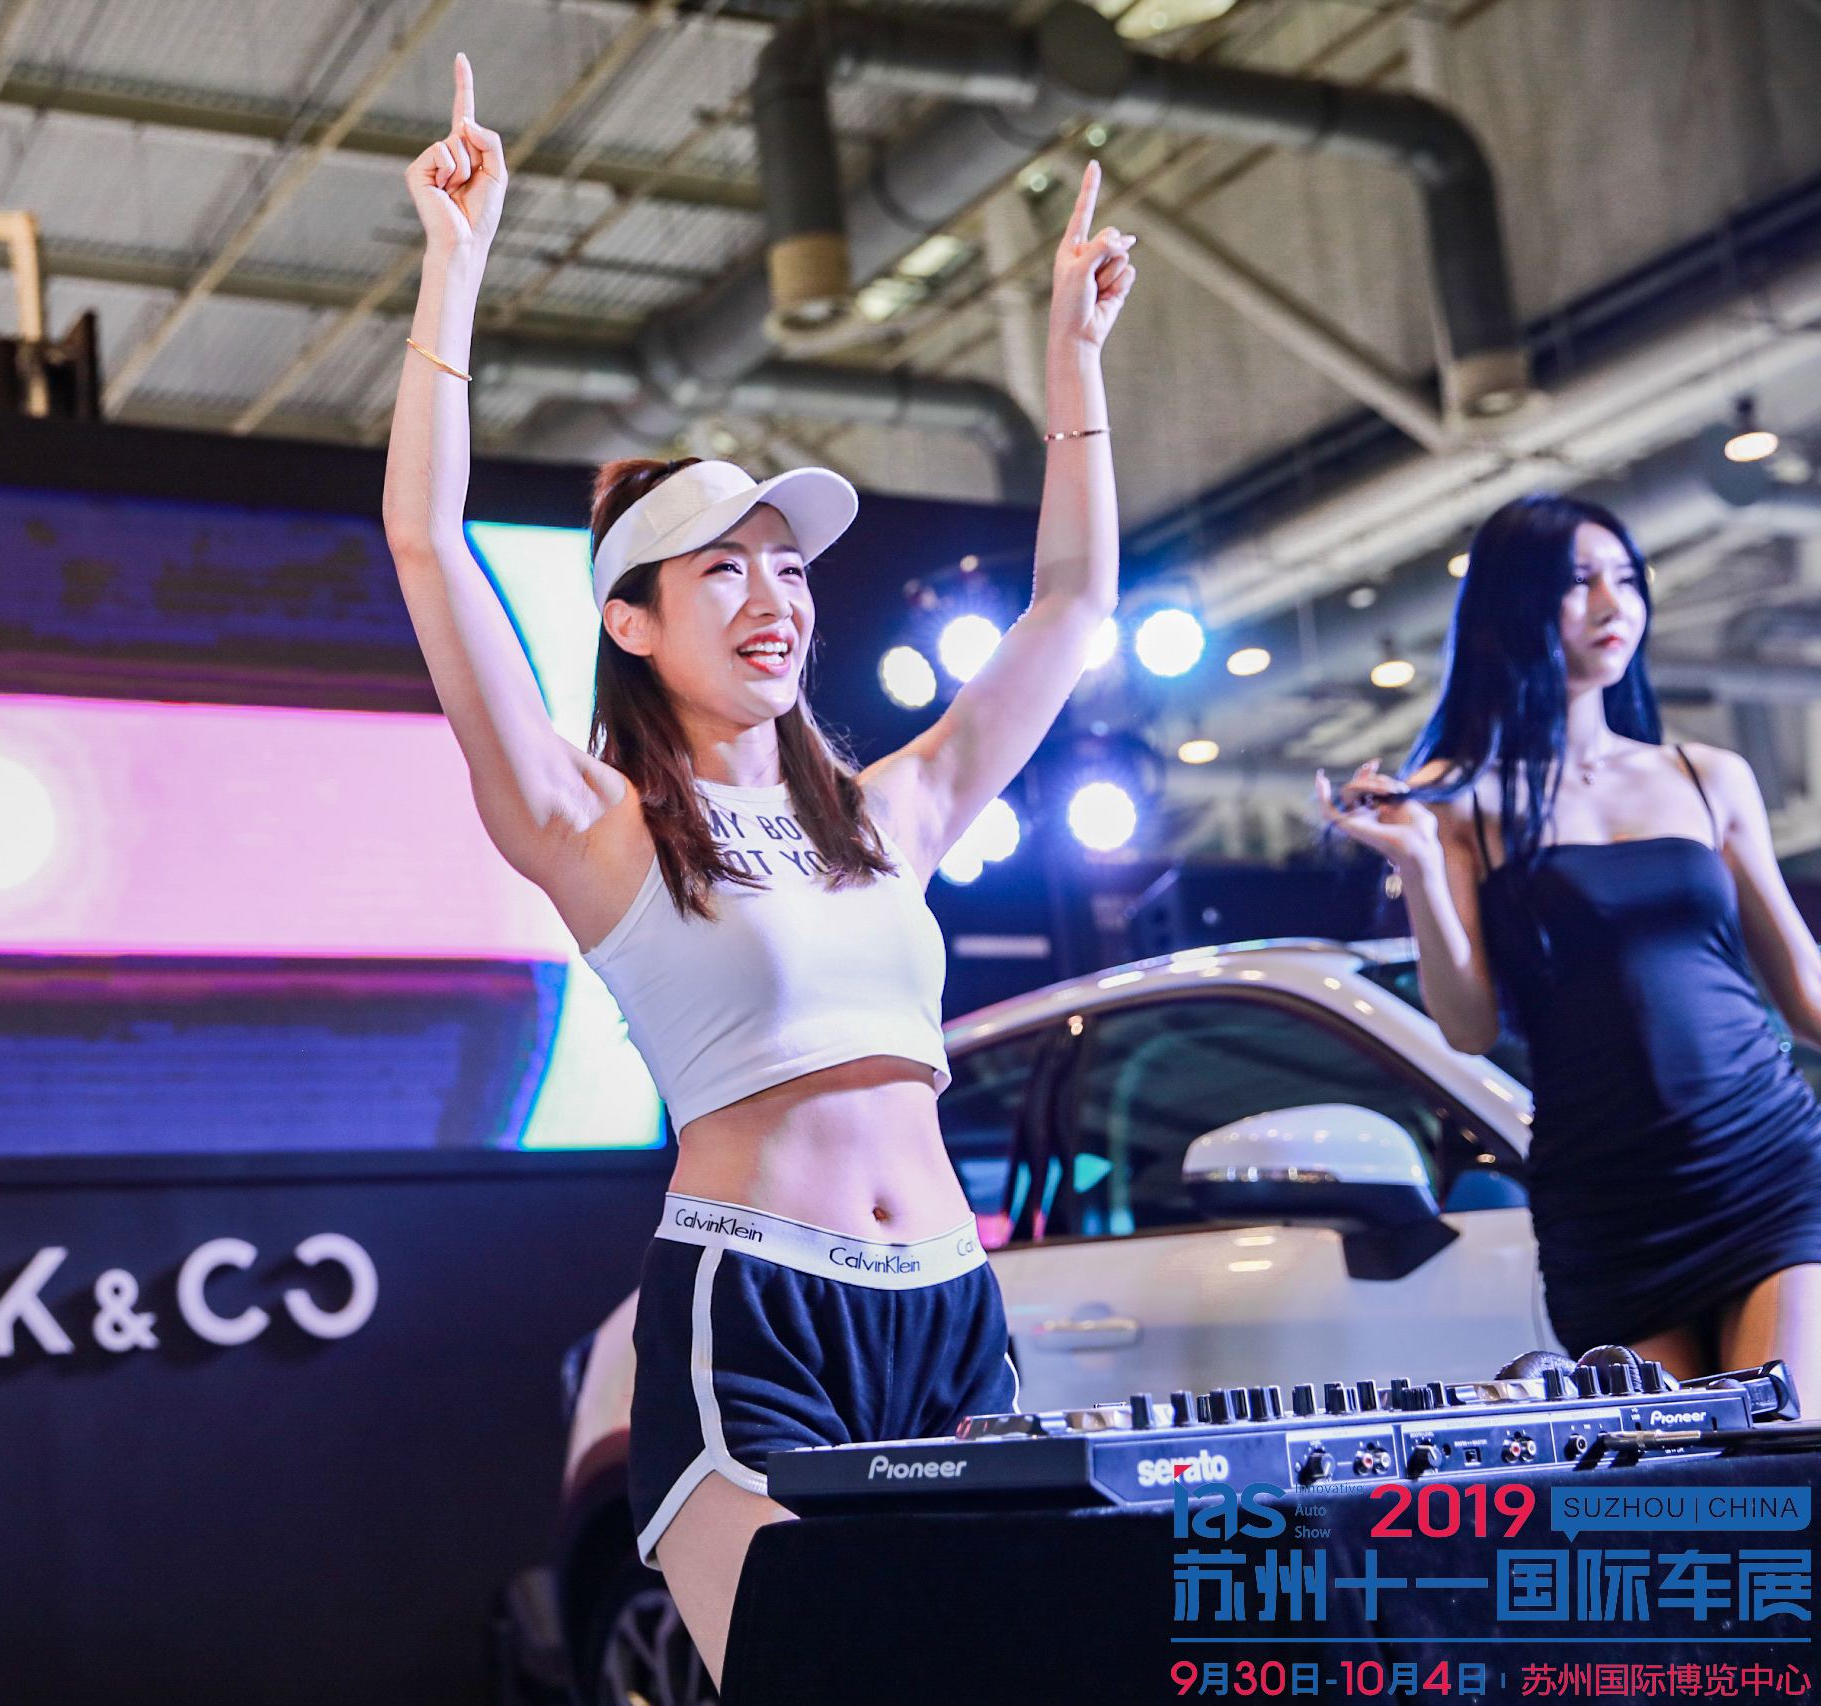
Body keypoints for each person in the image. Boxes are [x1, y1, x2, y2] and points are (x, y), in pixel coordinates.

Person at [383, 55, 1135, 1677]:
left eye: (786, 566)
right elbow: (429, 546)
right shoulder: (593, 824)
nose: (773, 596)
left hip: (951, 1305)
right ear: (630, 621)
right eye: (720, 570)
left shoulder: (889, 812)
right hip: (760, 1316)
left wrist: (1073, 365)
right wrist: (456, 266)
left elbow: (1073, 606)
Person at [1317, 494, 1821, 1386]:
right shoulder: (1456, 801)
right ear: (1515, 601)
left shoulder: (1708, 777)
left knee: (1785, 1428)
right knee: (1681, 1468)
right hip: (1611, 1198)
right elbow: (1469, 1026)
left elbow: (1808, 997)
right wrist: (1422, 868)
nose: (1612, 602)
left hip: (1764, 1160)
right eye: (1579, 580)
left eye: (1626, 578)